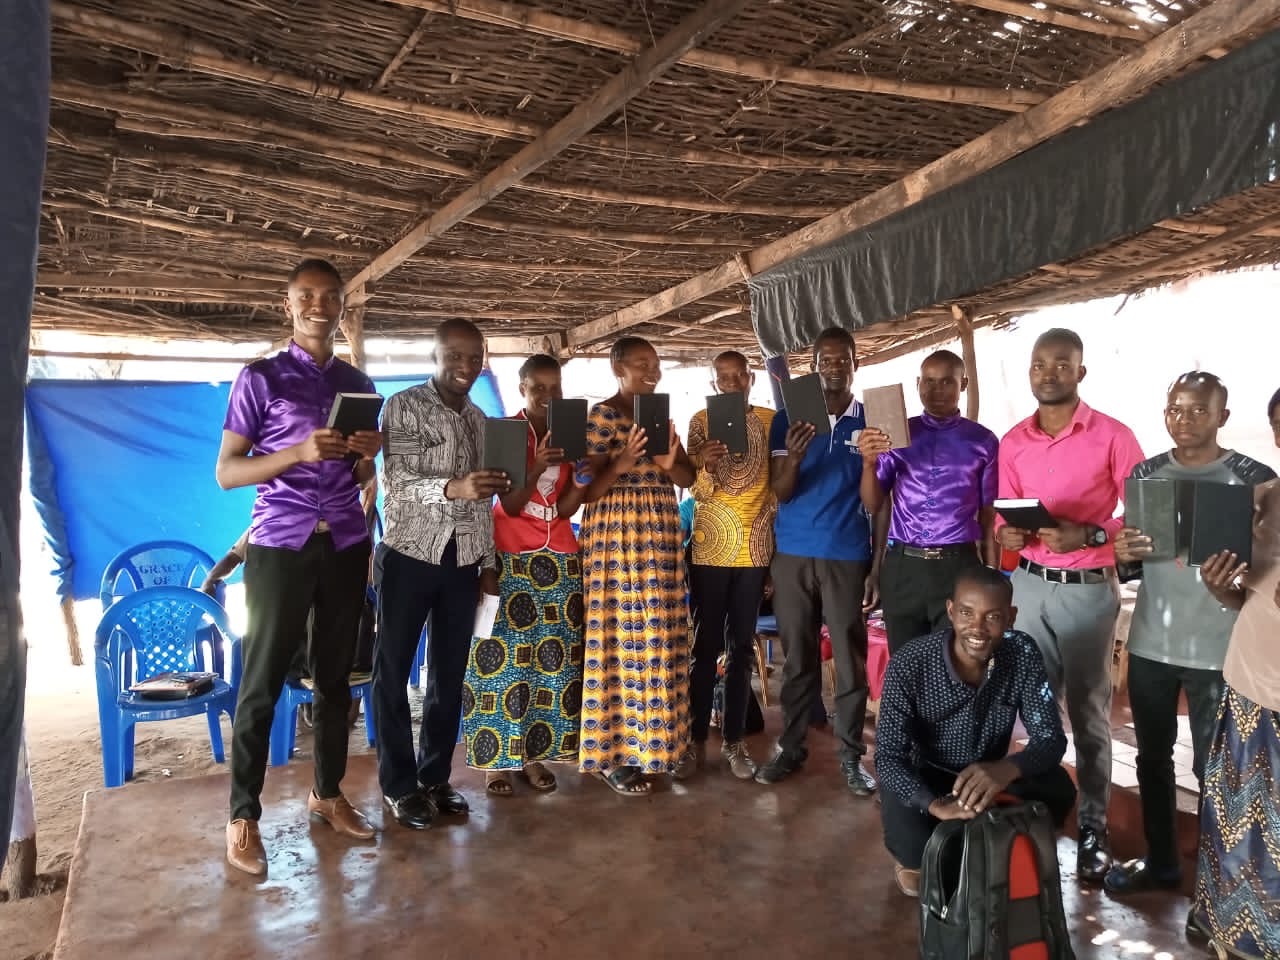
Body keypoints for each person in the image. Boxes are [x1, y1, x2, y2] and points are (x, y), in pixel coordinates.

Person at [216, 258, 381, 876]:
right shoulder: (259, 378)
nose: (320, 305)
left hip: (343, 542)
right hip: (280, 544)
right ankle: (243, 817)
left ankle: (328, 794)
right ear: (288, 305)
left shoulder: (358, 384)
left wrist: (368, 456)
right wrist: (295, 452)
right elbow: (228, 471)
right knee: (260, 682)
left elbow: (362, 477)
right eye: (307, 296)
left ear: (343, 306)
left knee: (337, 679)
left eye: (331, 296)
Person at [1107, 373, 1275, 897]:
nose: (1184, 419)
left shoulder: (1256, 479)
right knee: (1150, 760)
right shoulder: (1148, 473)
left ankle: (1218, 885)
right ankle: (1161, 863)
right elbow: (1136, 570)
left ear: (1223, 416)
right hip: (1153, 641)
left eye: (1198, 410)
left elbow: (1266, 572)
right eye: (1175, 409)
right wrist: (1122, 555)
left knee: (1216, 771)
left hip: (1219, 650)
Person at [996, 327, 1145, 882]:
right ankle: (1039, 810)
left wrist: (1091, 536)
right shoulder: (1012, 441)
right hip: (1028, 589)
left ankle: (1093, 830)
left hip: (1087, 594)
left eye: (1061, 364)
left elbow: (1145, 515)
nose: (1048, 373)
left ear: (1080, 372)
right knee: (1031, 707)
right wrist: (1008, 536)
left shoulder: (1114, 436)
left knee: (1087, 713)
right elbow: (1006, 513)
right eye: (1039, 364)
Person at [374, 318, 509, 830]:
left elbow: (485, 503)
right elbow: (399, 483)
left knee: (449, 677)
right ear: (435, 354)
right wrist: (453, 487)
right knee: (392, 675)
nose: (466, 367)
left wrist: (488, 566)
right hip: (409, 555)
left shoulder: (479, 418)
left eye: (475, 357)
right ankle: (399, 786)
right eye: (455, 355)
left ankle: (434, 777)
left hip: (463, 563)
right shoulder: (403, 406)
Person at [875, 566, 1075, 896]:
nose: (977, 628)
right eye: (967, 613)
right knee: (916, 854)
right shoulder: (911, 663)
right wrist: (937, 806)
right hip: (929, 776)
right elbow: (888, 759)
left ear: (1010, 617)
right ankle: (955, 840)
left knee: (1059, 787)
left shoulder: (1021, 652)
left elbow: (1051, 739)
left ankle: (984, 831)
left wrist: (1006, 769)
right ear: (951, 611)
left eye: (992, 616)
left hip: (988, 776)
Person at [755, 326, 883, 795]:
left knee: (849, 662)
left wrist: (877, 566)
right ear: (813, 365)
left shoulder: (870, 422)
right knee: (798, 660)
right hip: (792, 555)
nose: (833, 367)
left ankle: (851, 756)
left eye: (841, 359)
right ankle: (791, 749)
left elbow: (877, 504)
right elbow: (782, 492)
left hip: (847, 555)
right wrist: (795, 456)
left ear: (855, 364)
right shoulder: (786, 419)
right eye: (824, 360)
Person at [462, 355, 588, 796]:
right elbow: (510, 505)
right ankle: (496, 762)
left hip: (561, 558)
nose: (548, 396)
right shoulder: (506, 433)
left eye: (555, 388)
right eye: (538, 388)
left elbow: (569, 507)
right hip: (511, 557)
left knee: (550, 664)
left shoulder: (574, 430)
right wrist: (537, 466)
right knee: (501, 658)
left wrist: (584, 477)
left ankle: (533, 755)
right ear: (522, 389)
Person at [577, 336, 695, 796]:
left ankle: (657, 746)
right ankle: (613, 757)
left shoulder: (660, 416)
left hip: (661, 542)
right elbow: (585, 490)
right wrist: (623, 463)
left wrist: (668, 463)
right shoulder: (599, 417)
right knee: (616, 639)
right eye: (641, 363)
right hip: (616, 544)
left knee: (660, 637)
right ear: (617, 367)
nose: (652, 370)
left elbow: (687, 477)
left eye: (656, 363)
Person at [1191, 387, 1280, 958]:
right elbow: (1242, 594)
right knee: (1241, 833)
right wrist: (1221, 588)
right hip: (1252, 687)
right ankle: (1237, 934)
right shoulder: (1262, 499)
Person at [858, 349, 999, 656]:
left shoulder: (983, 441)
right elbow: (872, 503)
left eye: (947, 381)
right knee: (905, 663)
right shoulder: (896, 434)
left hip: (958, 566)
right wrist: (869, 463)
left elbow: (989, 516)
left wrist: (993, 575)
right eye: (929, 381)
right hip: (903, 567)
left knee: (954, 665)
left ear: (963, 383)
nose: (937, 390)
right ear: (917, 384)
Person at [683, 350, 776, 779]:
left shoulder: (773, 419)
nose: (733, 382)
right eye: (725, 377)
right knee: (704, 650)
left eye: (740, 375)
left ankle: (736, 742)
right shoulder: (700, 422)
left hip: (755, 548)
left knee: (740, 649)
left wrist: (772, 557)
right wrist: (705, 465)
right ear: (715, 380)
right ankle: (695, 742)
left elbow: (776, 490)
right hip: (709, 548)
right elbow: (696, 493)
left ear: (751, 378)